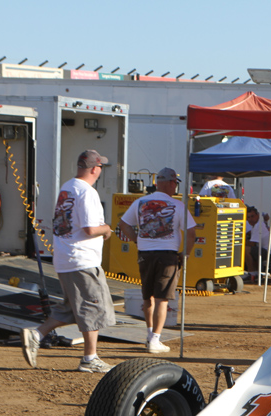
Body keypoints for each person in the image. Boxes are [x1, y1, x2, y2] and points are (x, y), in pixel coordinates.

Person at [20, 150, 116, 372]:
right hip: (82, 259)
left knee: (71, 309)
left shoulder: (67, 187)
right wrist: (107, 229)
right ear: (95, 169)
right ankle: (90, 358)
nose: (101, 171)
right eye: (100, 167)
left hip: (65, 257)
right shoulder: (87, 192)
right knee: (93, 306)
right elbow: (90, 228)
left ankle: (36, 335)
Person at [119, 167, 196, 353]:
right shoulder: (178, 205)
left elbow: (123, 224)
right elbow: (192, 233)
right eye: (174, 183)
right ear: (170, 183)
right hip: (167, 255)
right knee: (162, 298)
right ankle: (155, 339)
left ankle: (149, 335)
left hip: (145, 254)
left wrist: (137, 240)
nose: (175, 187)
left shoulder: (140, 202)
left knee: (148, 297)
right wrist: (185, 254)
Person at [245, 206, 271, 282]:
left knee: (246, 249)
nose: (250, 219)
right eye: (248, 217)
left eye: (252, 216)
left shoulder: (258, 226)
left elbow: (252, 244)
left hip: (270, 253)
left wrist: (240, 241)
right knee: (254, 250)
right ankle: (256, 273)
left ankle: (252, 274)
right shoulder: (260, 224)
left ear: (257, 215)